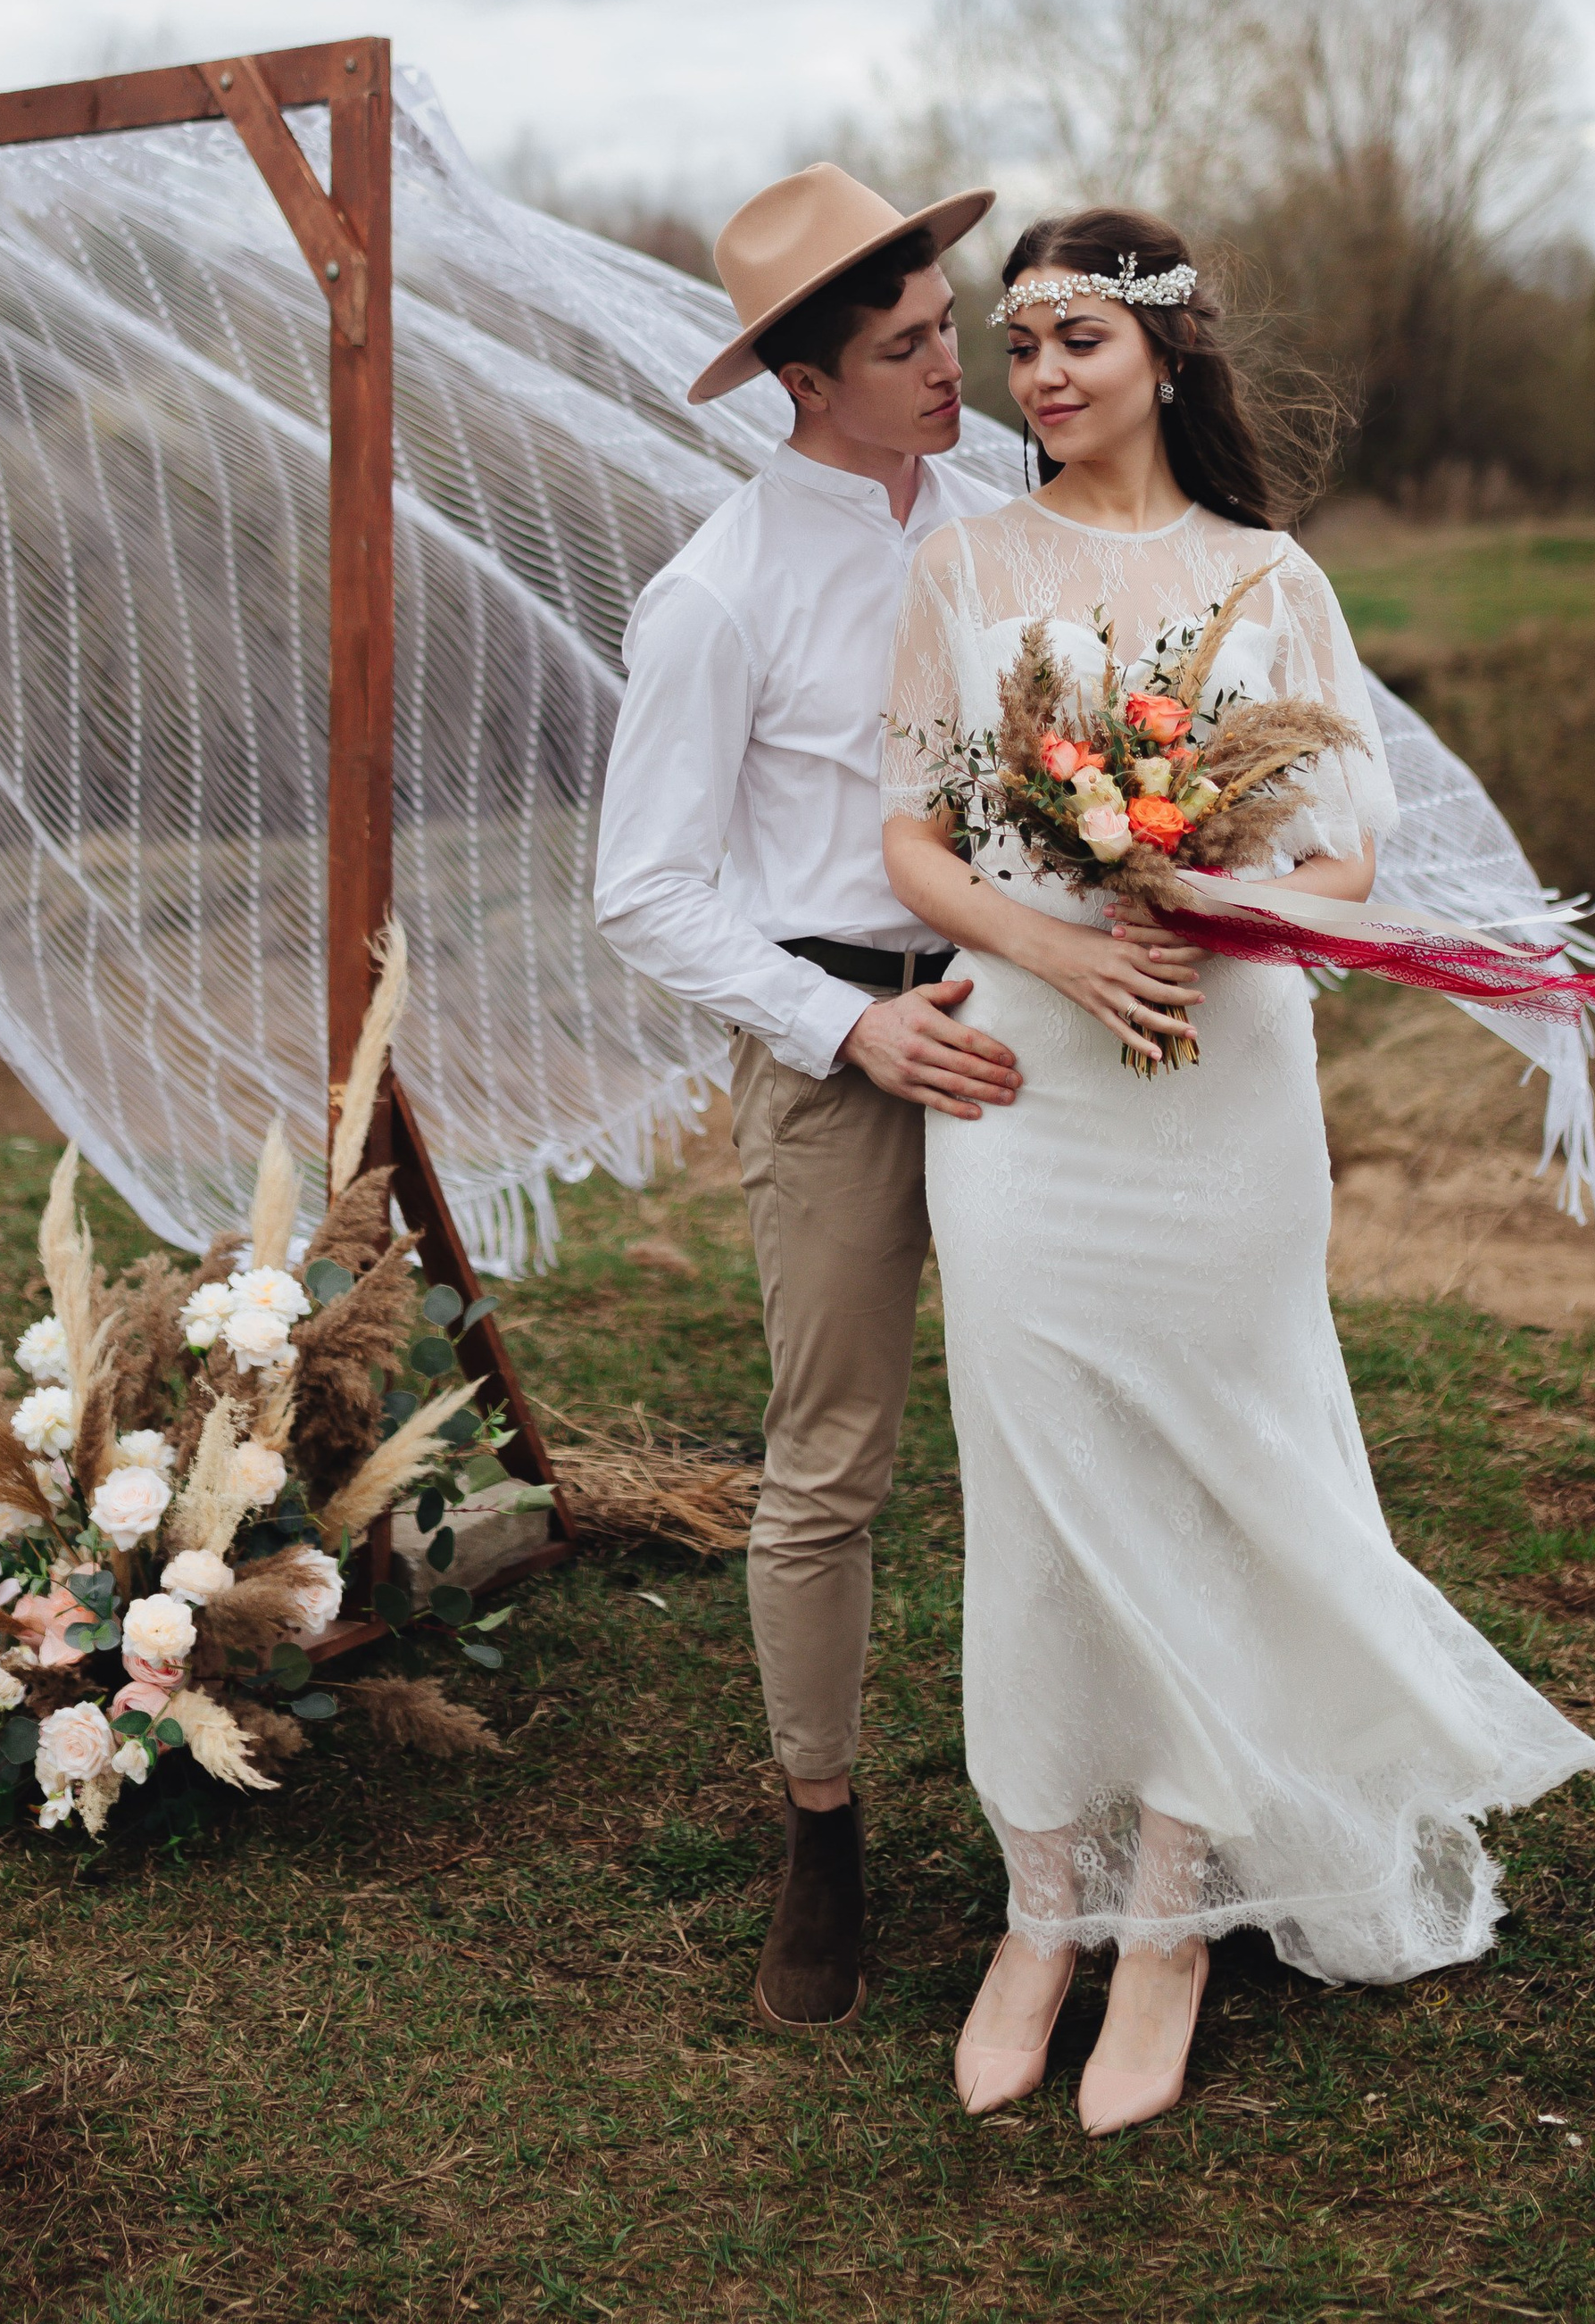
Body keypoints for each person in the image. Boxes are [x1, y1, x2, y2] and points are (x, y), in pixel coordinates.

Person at [880, 206, 1595, 2136]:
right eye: (1017, 341)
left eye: (1076, 339)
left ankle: (1171, 1924)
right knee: (1037, 1490)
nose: (1039, 373)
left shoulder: (1270, 579)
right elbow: (915, 839)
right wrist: (1058, 950)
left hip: (1222, 1092)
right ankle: (1042, 1903)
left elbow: (1348, 857)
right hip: (1027, 1089)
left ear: (1162, 354)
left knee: (1213, 1484)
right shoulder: (961, 566)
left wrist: (1200, 893)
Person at [595, 162, 1021, 2036]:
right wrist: (846, 1031)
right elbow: (643, 891)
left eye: (947, 327)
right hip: (832, 1055)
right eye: (906, 348)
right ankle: (822, 1832)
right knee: (830, 1462)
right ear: (804, 382)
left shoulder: (1006, 508)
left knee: (1056, 1424)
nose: (952, 365)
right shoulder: (717, 594)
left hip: (1020, 1024)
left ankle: (1074, 1809)